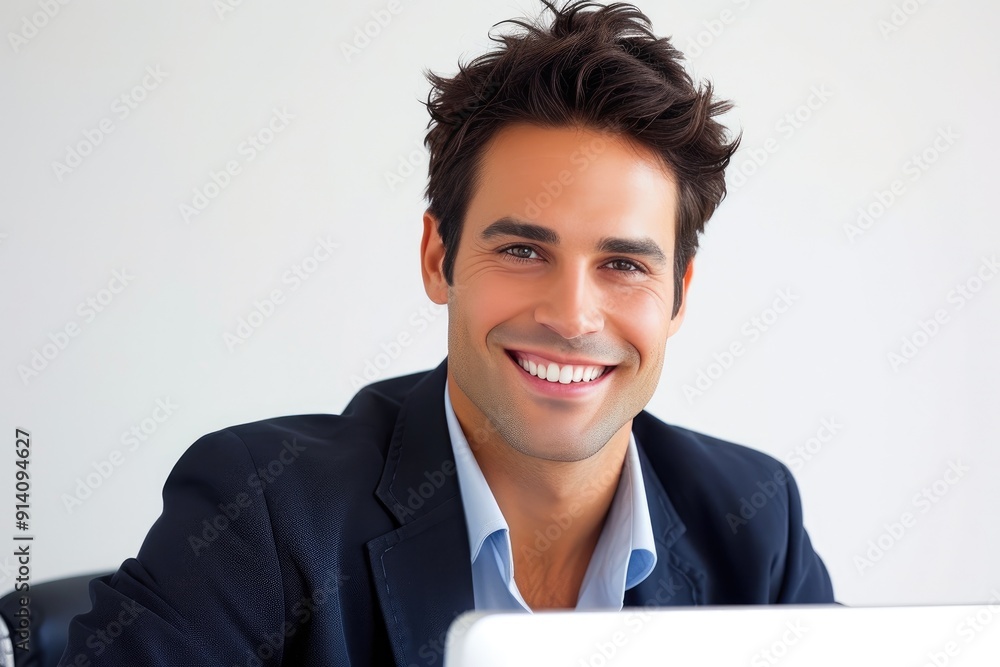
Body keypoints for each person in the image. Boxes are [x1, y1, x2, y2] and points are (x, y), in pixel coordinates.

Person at [58, 1, 834, 665]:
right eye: (524, 250)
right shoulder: (263, 513)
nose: (571, 316)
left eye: (624, 264)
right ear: (439, 259)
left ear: (678, 296)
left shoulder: (757, 526)